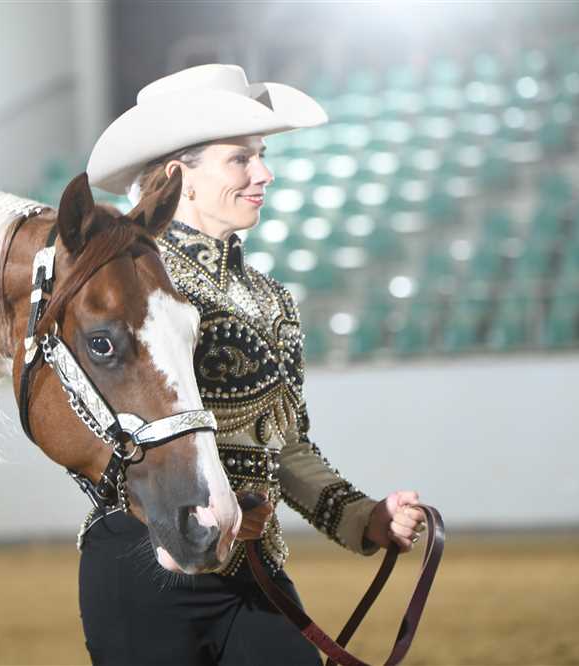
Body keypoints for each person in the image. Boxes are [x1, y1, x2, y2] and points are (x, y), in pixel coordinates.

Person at [79, 63, 427, 666]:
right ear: (178, 178)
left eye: (260, 156)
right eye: (240, 158)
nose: (263, 174)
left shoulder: (271, 299)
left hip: (253, 571)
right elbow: (97, 427)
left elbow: (287, 447)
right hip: (145, 563)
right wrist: (202, 507)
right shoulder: (125, 289)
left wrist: (366, 518)